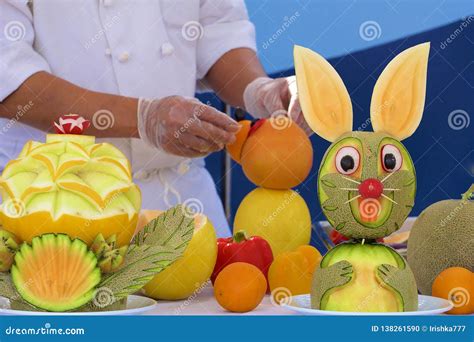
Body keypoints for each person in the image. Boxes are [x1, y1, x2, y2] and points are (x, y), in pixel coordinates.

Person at [0, 0, 308, 236]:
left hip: (185, 203)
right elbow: (10, 81)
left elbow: (219, 30)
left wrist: (258, 88)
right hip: (56, 204)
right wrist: (144, 118)